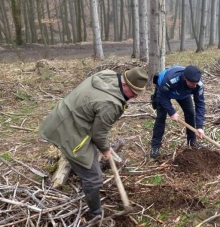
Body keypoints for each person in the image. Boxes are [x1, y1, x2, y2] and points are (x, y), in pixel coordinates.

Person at [39, 67, 148, 218]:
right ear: (124, 85)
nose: (135, 97)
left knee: (91, 159)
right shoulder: (111, 103)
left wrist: (102, 146)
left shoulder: (106, 75)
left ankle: (86, 189)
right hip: (68, 131)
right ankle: (96, 214)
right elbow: (99, 134)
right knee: (94, 177)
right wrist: (105, 149)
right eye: (134, 92)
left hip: (65, 117)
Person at [150, 65, 205, 158]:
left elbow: (200, 104)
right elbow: (161, 96)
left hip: (183, 94)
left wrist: (199, 126)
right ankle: (155, 146)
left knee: (190, 114)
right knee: (161, 117)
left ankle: (192, 141)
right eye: (192, 83)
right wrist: (171, 112)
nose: (195, 86)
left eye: (196, 83)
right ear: (185, 78)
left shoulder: (198, 85)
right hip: (164, 92)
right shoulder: (171, 80)